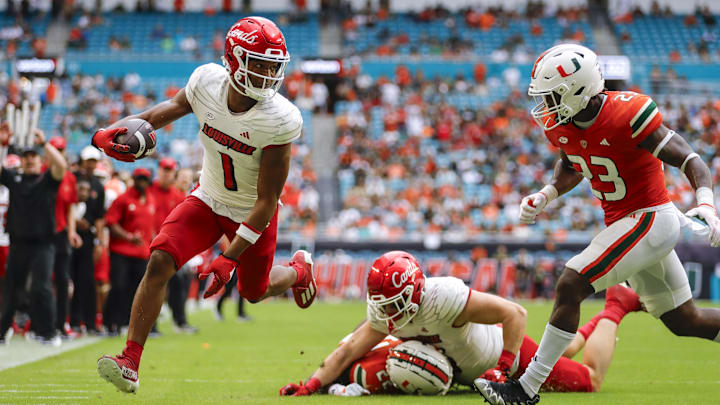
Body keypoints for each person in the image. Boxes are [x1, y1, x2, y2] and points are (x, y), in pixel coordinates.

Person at [475, 44, 720, 405]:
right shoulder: (564, 125)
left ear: (578, 90)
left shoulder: (628, 112)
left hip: (651, 217)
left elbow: (689, 158)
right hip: (628, 223)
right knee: (685, 321)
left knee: (571, 282)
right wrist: (546, 194)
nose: (546, 106)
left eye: (553, 96)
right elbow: (572, 163)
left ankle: (526, 388)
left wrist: (706, 204)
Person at [94, 16, 317, 393]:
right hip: (208, 198)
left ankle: (298, 271)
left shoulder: (279, 119)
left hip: (251, 213)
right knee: (161, 259)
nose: (266, 74)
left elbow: (267, 200)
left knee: (253, 291)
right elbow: (157, 115)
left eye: (272, 66)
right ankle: (129, 361)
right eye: (258, 63)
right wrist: (107, 132)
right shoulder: (206, 82)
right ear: (233, 59)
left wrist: (230, 257)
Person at [279, 251, 640, 396]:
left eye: (396, 303)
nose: (389, 314)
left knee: (588, 378)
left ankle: (616, 307)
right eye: (383, 305)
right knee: (568, 345)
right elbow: (346, 353)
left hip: (502, 357)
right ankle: (588, 328)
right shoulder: (385, 313)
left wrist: (502, 370)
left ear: (416, 291)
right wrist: (310, 385)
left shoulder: (445, 297)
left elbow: (515, 313)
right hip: (469, 365)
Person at [0, 126, 67, 346]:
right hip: (18, 241)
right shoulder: (14, 179)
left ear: (40, 160)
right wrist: (2, 143)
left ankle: (49, 333)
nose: (29, 161)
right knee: (10, 288)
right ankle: (2, 332)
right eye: (26, 157)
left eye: (33, 157)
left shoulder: (47, 180)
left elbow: (61, 166)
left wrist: (44, 144)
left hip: (43, 243)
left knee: (41, 287)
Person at [102, 168, 156, 335]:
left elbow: (150, 226)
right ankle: (110, 322)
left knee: (138, 290)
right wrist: (127, 236)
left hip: (142, 253)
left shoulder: (150, 199)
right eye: (139, 179)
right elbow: (110, 222)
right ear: (134, 179)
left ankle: (127, 322)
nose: (142, 183)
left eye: (145, 179)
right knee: (118, 286)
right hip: (122, 251)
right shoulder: (123, 199)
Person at [147, 157, 197, 333]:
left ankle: (179, 321)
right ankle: (151, 325)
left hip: (169, 248)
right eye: (165, 170)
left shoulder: (176, 196)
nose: (168, 174)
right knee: (153, 285)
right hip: (149, 246)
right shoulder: (149, 190)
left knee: (178, 283)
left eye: (171, 171)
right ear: (159, 171)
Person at [48, 136, 82, 338]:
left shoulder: (69, 177)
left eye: (60, 150)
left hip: (60, 233)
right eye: (54, 150)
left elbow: (70, 207)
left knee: (62, 280)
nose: (57, 154)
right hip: (42, 234)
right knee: (41, 281)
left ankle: (60, 324)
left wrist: (71, 231)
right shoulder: (40, 173)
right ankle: (37, 323)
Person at [70, 146, 106, 334]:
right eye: (88, 161)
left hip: (88, 237)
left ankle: (89, 322)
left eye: (94, 161)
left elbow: (100, 217)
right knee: (68, 279)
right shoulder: (71, 178)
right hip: (68, 234)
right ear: (82, 160)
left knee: (86, 280)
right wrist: (73, 222)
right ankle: (73, 321)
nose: (91, 164)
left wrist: (100, 242)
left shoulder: (99, 186)